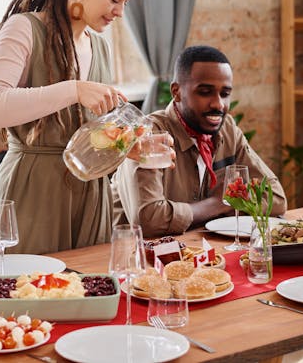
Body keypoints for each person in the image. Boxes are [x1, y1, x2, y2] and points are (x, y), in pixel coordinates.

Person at [0, 0, 137, 255]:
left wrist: (130, 146)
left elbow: (92, 135)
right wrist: (73, 89)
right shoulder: (23, 29)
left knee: (91, 296)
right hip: (34, 190)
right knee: (33, 297)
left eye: (125, 2)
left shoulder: (100, 47)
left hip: (92, 195)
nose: (120, 12)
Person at [111, 45, 287, 237]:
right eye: (205, 92)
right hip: (131, 259)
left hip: (200, 252)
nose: (218, 104)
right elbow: (150, 221)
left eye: (225, 94)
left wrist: (218, 206)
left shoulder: (227, 129)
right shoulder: (148, 134)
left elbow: (275, 198)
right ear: (176, 92)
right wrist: (217, 203)